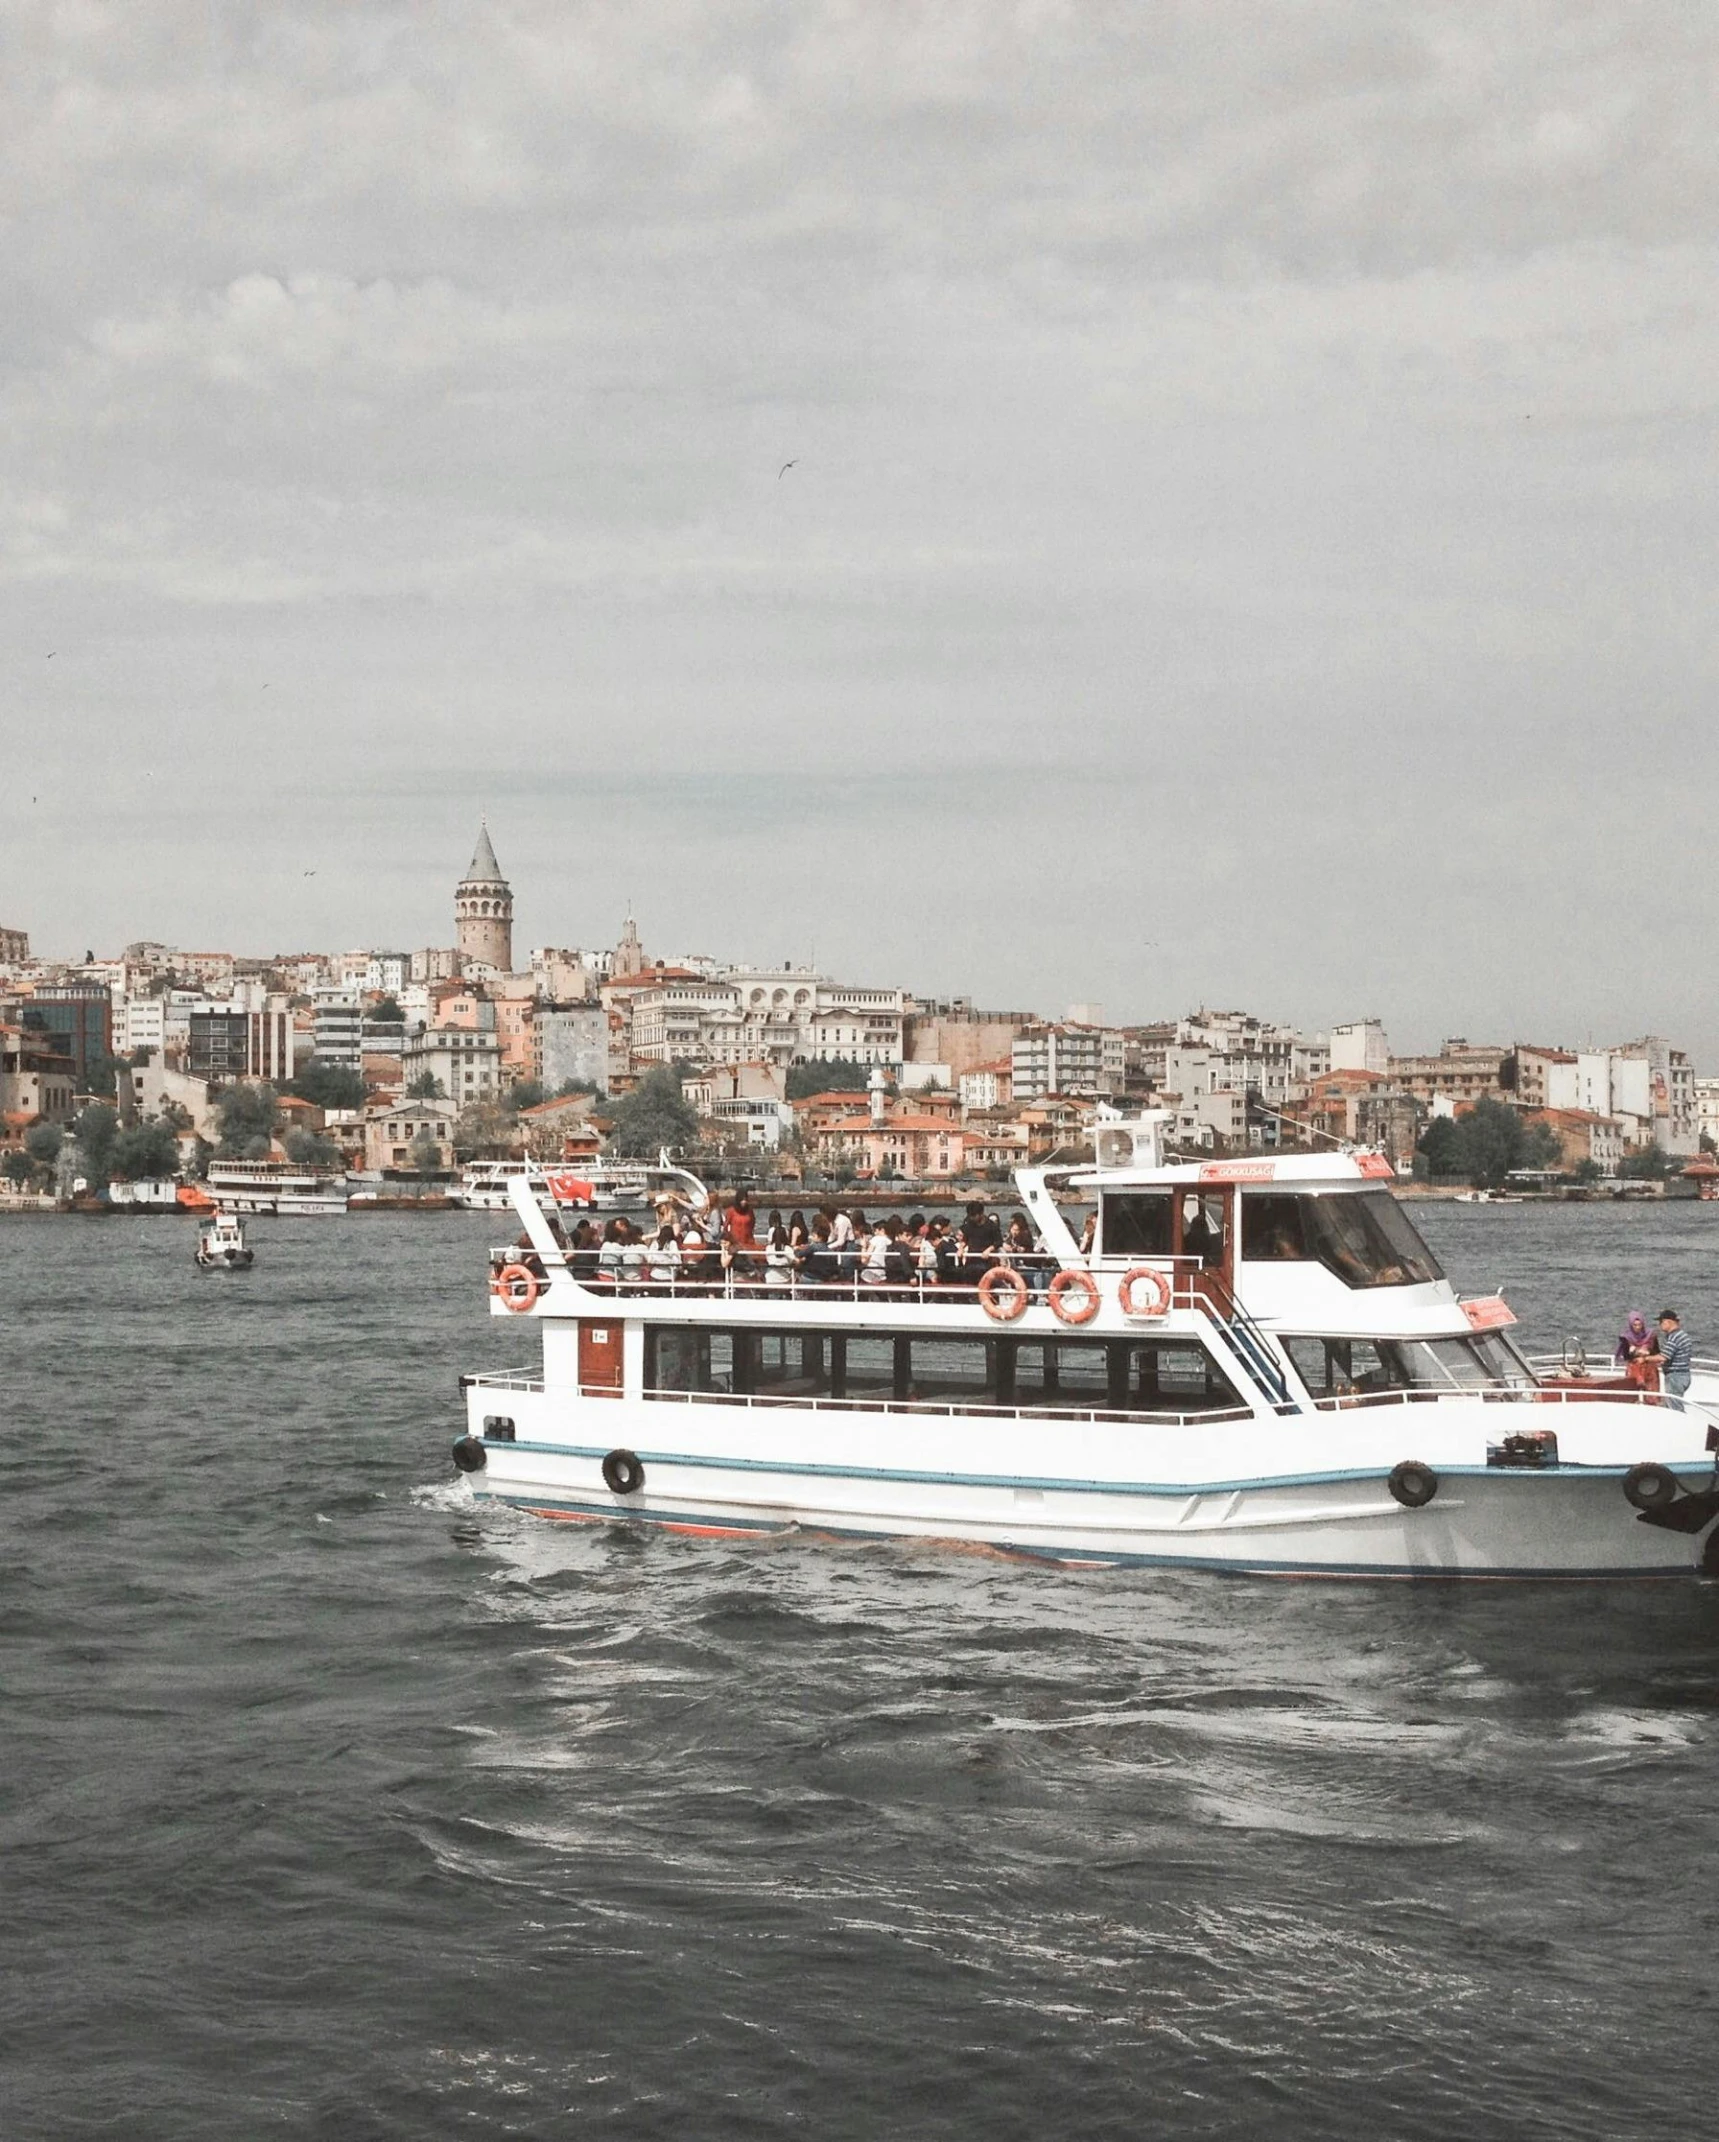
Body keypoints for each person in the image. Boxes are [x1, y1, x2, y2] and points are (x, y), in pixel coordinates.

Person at [1615, 1311, 1659, 1390]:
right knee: (1633, 1393)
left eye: (1640, 1325)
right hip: (1634, 1369)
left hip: (1649, 1368)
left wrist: (1646, 1352)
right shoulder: (1626, 1337)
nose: (1638, 1327)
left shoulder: (1651, 1335)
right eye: (1635, 1325)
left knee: (1651, 1395)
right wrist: (1638, 1351)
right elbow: (1626, 1356)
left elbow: (1656, 1351)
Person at [1658, 1309, 1693, 1399]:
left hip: (1675, 1376)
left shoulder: (1674, 1337)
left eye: (1661, 1322)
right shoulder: (1683, 1335)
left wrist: (1646, 1358)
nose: (1659, 1325)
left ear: (1668, 1322)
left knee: (1674, 1406)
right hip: (1684, 1374)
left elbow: (1663, 1357)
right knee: (1670, 1404)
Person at [764, 1223, 797, 1289]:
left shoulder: (768, 1248)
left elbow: (768, 1259)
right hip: (784, 1280)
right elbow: (796, 1262)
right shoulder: (787, 1249)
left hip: (770, 1280)